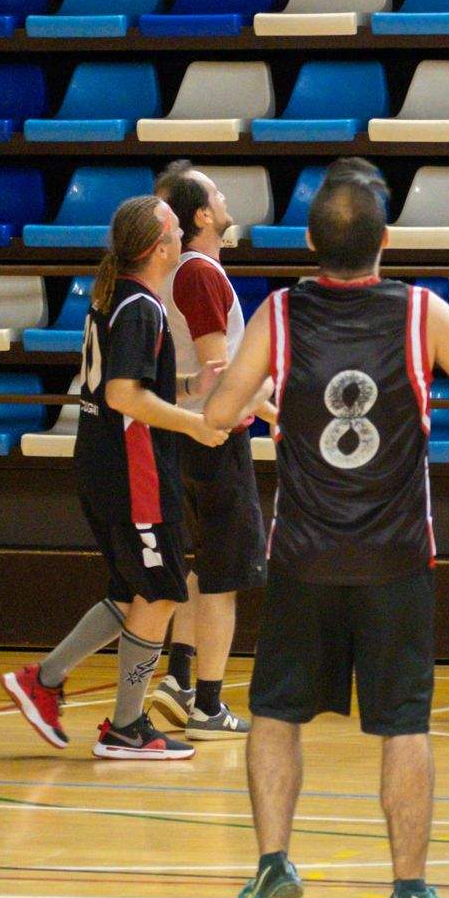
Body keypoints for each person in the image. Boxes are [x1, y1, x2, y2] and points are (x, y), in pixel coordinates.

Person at [203, 160, 449, 898]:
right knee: (404, 724)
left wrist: (258, 393)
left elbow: (219, 415)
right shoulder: (423, 312)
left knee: (275, 713)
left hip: (302, 556)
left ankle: (272, 865)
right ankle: (409, 890)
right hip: (395, 560)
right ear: (386, 240)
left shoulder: (279, 313)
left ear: (310, 242)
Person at [2, 195, 231, 761]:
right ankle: (127, 728)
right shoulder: (141, 307)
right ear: (159, 247)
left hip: (105, 463)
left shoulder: (119, 297)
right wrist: (196, 423)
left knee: (133, 592)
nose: (180, 235)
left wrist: (189, 388)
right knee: (161, 592)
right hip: (133, 471)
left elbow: (129, 383)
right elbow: (124, 395)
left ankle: (43, 681)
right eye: (173, 228)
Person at [143, 161, 269, 741]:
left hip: (188, 435)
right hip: (212, 438)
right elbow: (219, 373)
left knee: (205, 567)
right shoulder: (199, 272)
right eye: (216, 193)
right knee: (223, 579)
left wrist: (273, 411)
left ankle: (179, 680)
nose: (225, 199)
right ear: (202, 215)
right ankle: (209, 706)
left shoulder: (184, 271)